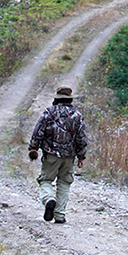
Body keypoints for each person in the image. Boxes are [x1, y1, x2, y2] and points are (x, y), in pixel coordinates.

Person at [28, 85, 88, 223]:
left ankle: (49, 199)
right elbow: (82, 138)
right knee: (65, 182)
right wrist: (81, 156)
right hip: (69, 156)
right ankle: (60, 214)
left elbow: (38, 132)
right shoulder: (77, 115)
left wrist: (33, 148)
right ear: (70, 99)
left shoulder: (49, 112)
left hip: (51, 155)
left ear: (57, 98)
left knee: (45, 180)